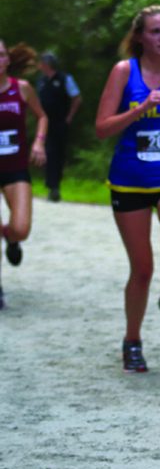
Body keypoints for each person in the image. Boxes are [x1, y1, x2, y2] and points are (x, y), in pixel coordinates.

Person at [95, 5, 160, 373]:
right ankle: (132, 340)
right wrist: (138, 110)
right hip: (130, 178)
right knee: (142, 269)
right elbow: (103, 127)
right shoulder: (125, 72)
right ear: (140, 36)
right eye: (156, 32)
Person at [0, 40, 48, 310]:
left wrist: (39, 142)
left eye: (1, 55)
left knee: (21, 228)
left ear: (8, 59)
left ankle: (11, 238)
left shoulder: (22, 89)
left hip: (15, 167)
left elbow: (42, 116)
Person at [37, 51, 82, 202]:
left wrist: (69, 117)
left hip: (60, 122)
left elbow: (76, 98)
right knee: (47, 153)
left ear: (47, 64)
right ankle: (51, 186)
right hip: (44, 123)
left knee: (58, 154)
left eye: (42, 63)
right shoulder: (41, 81)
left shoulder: (65, 79)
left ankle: (55, 186)